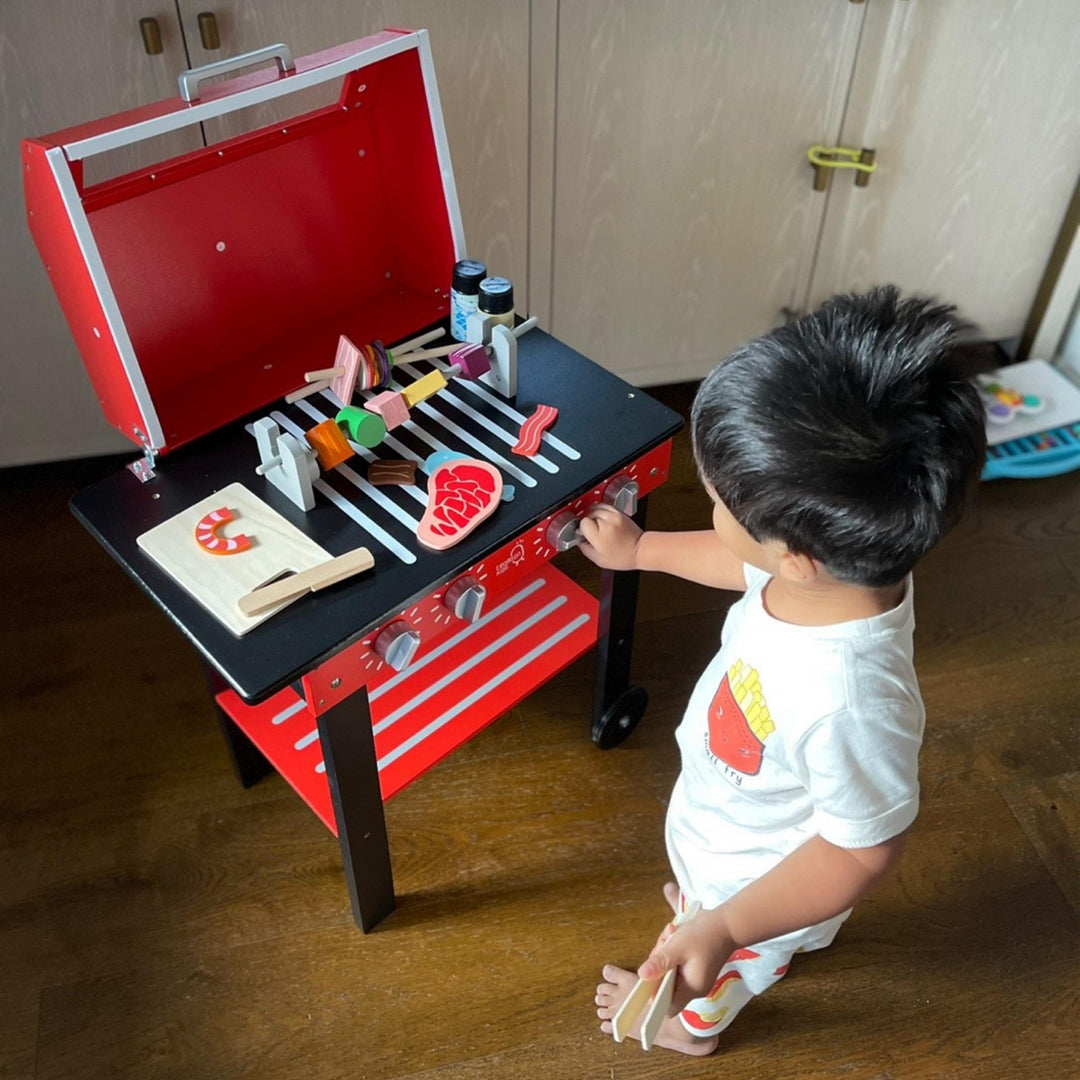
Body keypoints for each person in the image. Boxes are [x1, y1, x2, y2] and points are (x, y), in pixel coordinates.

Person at [580, 286, 987, 1056]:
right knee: (707, 916)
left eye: (717, 502)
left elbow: (862, 847)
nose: (710, 510)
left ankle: (694, 1021)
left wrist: (728, 924)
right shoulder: (840, 569)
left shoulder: (847, 699)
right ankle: (717, 923)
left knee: (723, 963)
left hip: (766, 880)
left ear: (795, 558)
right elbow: (747, 567)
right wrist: (643, 553)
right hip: (735, 825)